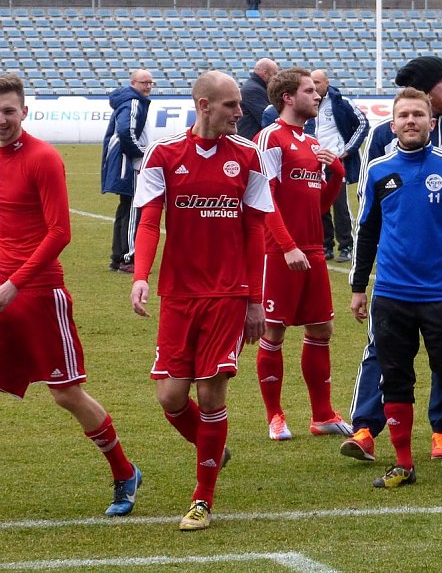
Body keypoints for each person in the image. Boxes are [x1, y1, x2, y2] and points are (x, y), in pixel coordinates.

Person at [130, 70, 273, 531]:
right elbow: (150, 222)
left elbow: (256, 231)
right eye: (232, 105)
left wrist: (255, 300)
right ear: (204, 104)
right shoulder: (165, 154)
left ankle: (202, 498)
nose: (240, 111)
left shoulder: (248, 156)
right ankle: (212, 447)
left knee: (211, 393)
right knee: (171, 396)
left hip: (228, 295)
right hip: (178, 294)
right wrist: (140, 277)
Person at [0, 73, 141, 517]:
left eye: (8, 111)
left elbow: (60, 232)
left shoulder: (43, 158)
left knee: (65, 393)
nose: (1, 119)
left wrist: (14, 284)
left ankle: (124, 472)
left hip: (37, 293)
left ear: (24, 111)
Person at [350, 87, 442, 488]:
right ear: (392, 124)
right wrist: (359, 286)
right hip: (391, 295)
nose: (410, 121)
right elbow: (367, 232)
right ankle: (403, 463)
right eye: (403, 116)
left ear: (432, 122)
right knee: (394, 378)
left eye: (418, 115)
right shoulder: (378, 168)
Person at [339, 56, 442, 464]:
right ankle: (365, 428)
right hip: (396, 275)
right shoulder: (382, 137)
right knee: (382, 349)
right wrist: (360, 280)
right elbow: (370, 212)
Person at [253, 67, 352, 442]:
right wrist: (287, 246)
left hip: (311, 250)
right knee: (273, 330)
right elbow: (264, 200)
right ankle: (275, 415)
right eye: (310, 91)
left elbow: (319, 207)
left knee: (322, 329)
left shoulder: (311, 145)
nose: (317, 96)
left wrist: (338, 175)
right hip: (279, 252)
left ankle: (322, 414)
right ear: (288, 98)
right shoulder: (270, 139)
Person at [305, 69, 369, 263]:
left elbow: (363, 124)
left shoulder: (342, 102)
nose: (314, 86)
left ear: (327, 83)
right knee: (318, 205)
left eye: (318, 82)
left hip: (334, 161)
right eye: (311, 82)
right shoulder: (306, 102)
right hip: (313, 161)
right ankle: (325, 245)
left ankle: (347, 245)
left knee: (340, 205)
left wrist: (348, 150)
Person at [101, 68, 154, 273]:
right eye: (144, 83)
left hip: (124, 163)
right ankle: (129, 258)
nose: (148, 86)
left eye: (150, 83)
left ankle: (117, 257)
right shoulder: (133, 102)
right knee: (134, 207)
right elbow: (126, 131)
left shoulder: (130, 101)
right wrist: (141, 153)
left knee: (125, 209)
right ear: (133, 83)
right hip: (130, 164)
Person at [237, 58, 278, 141]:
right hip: (250, 141)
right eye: (274, 74)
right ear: (265, 73)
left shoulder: (256, 88)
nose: (276, 78)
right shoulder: (253, 90)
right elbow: (267, 118)